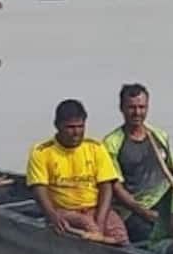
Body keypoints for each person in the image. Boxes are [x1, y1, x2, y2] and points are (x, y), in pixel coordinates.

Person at [26, 98, 128, 244]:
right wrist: (52, 215)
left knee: (120, 235)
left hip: (93, 207)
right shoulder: (41, 151)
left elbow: (106, 187)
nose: (76, 133)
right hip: (64, 210)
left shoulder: (96, 147)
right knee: (88, 225)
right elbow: (38, 188)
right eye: (70, 127)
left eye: (80, 127)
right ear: (57, 125)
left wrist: (100, 219)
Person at [101, 84, 173, 245]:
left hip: (163, 205)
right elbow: (116, 187)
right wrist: (146, 213)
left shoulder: (159, 135)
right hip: (133, 211)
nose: (137, 113)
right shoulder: (111, 143)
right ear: (121, 108)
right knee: (153, 238)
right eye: (132, 108)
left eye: (142, 107)